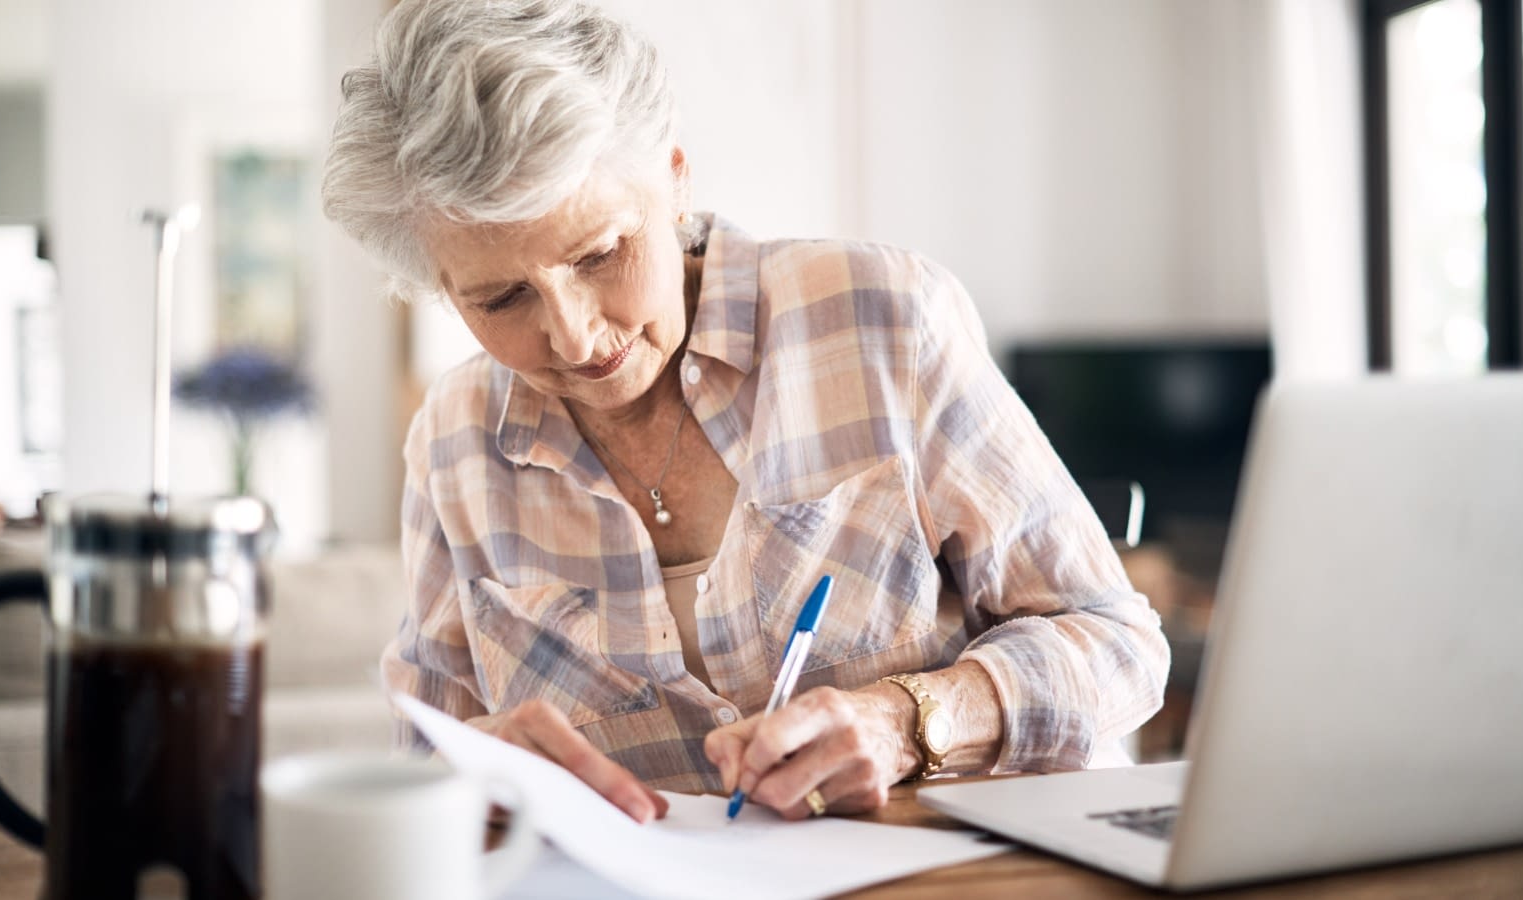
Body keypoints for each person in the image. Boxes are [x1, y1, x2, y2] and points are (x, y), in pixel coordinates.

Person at [322, 0, 1170, 824]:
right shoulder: (455, 441)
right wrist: (476, 771)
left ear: (674, 179)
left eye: (601, 254)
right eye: (502, 299)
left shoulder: (884, 319)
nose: (574, 337)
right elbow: (420, 769)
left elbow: (1119, 644)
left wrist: (912, 721)